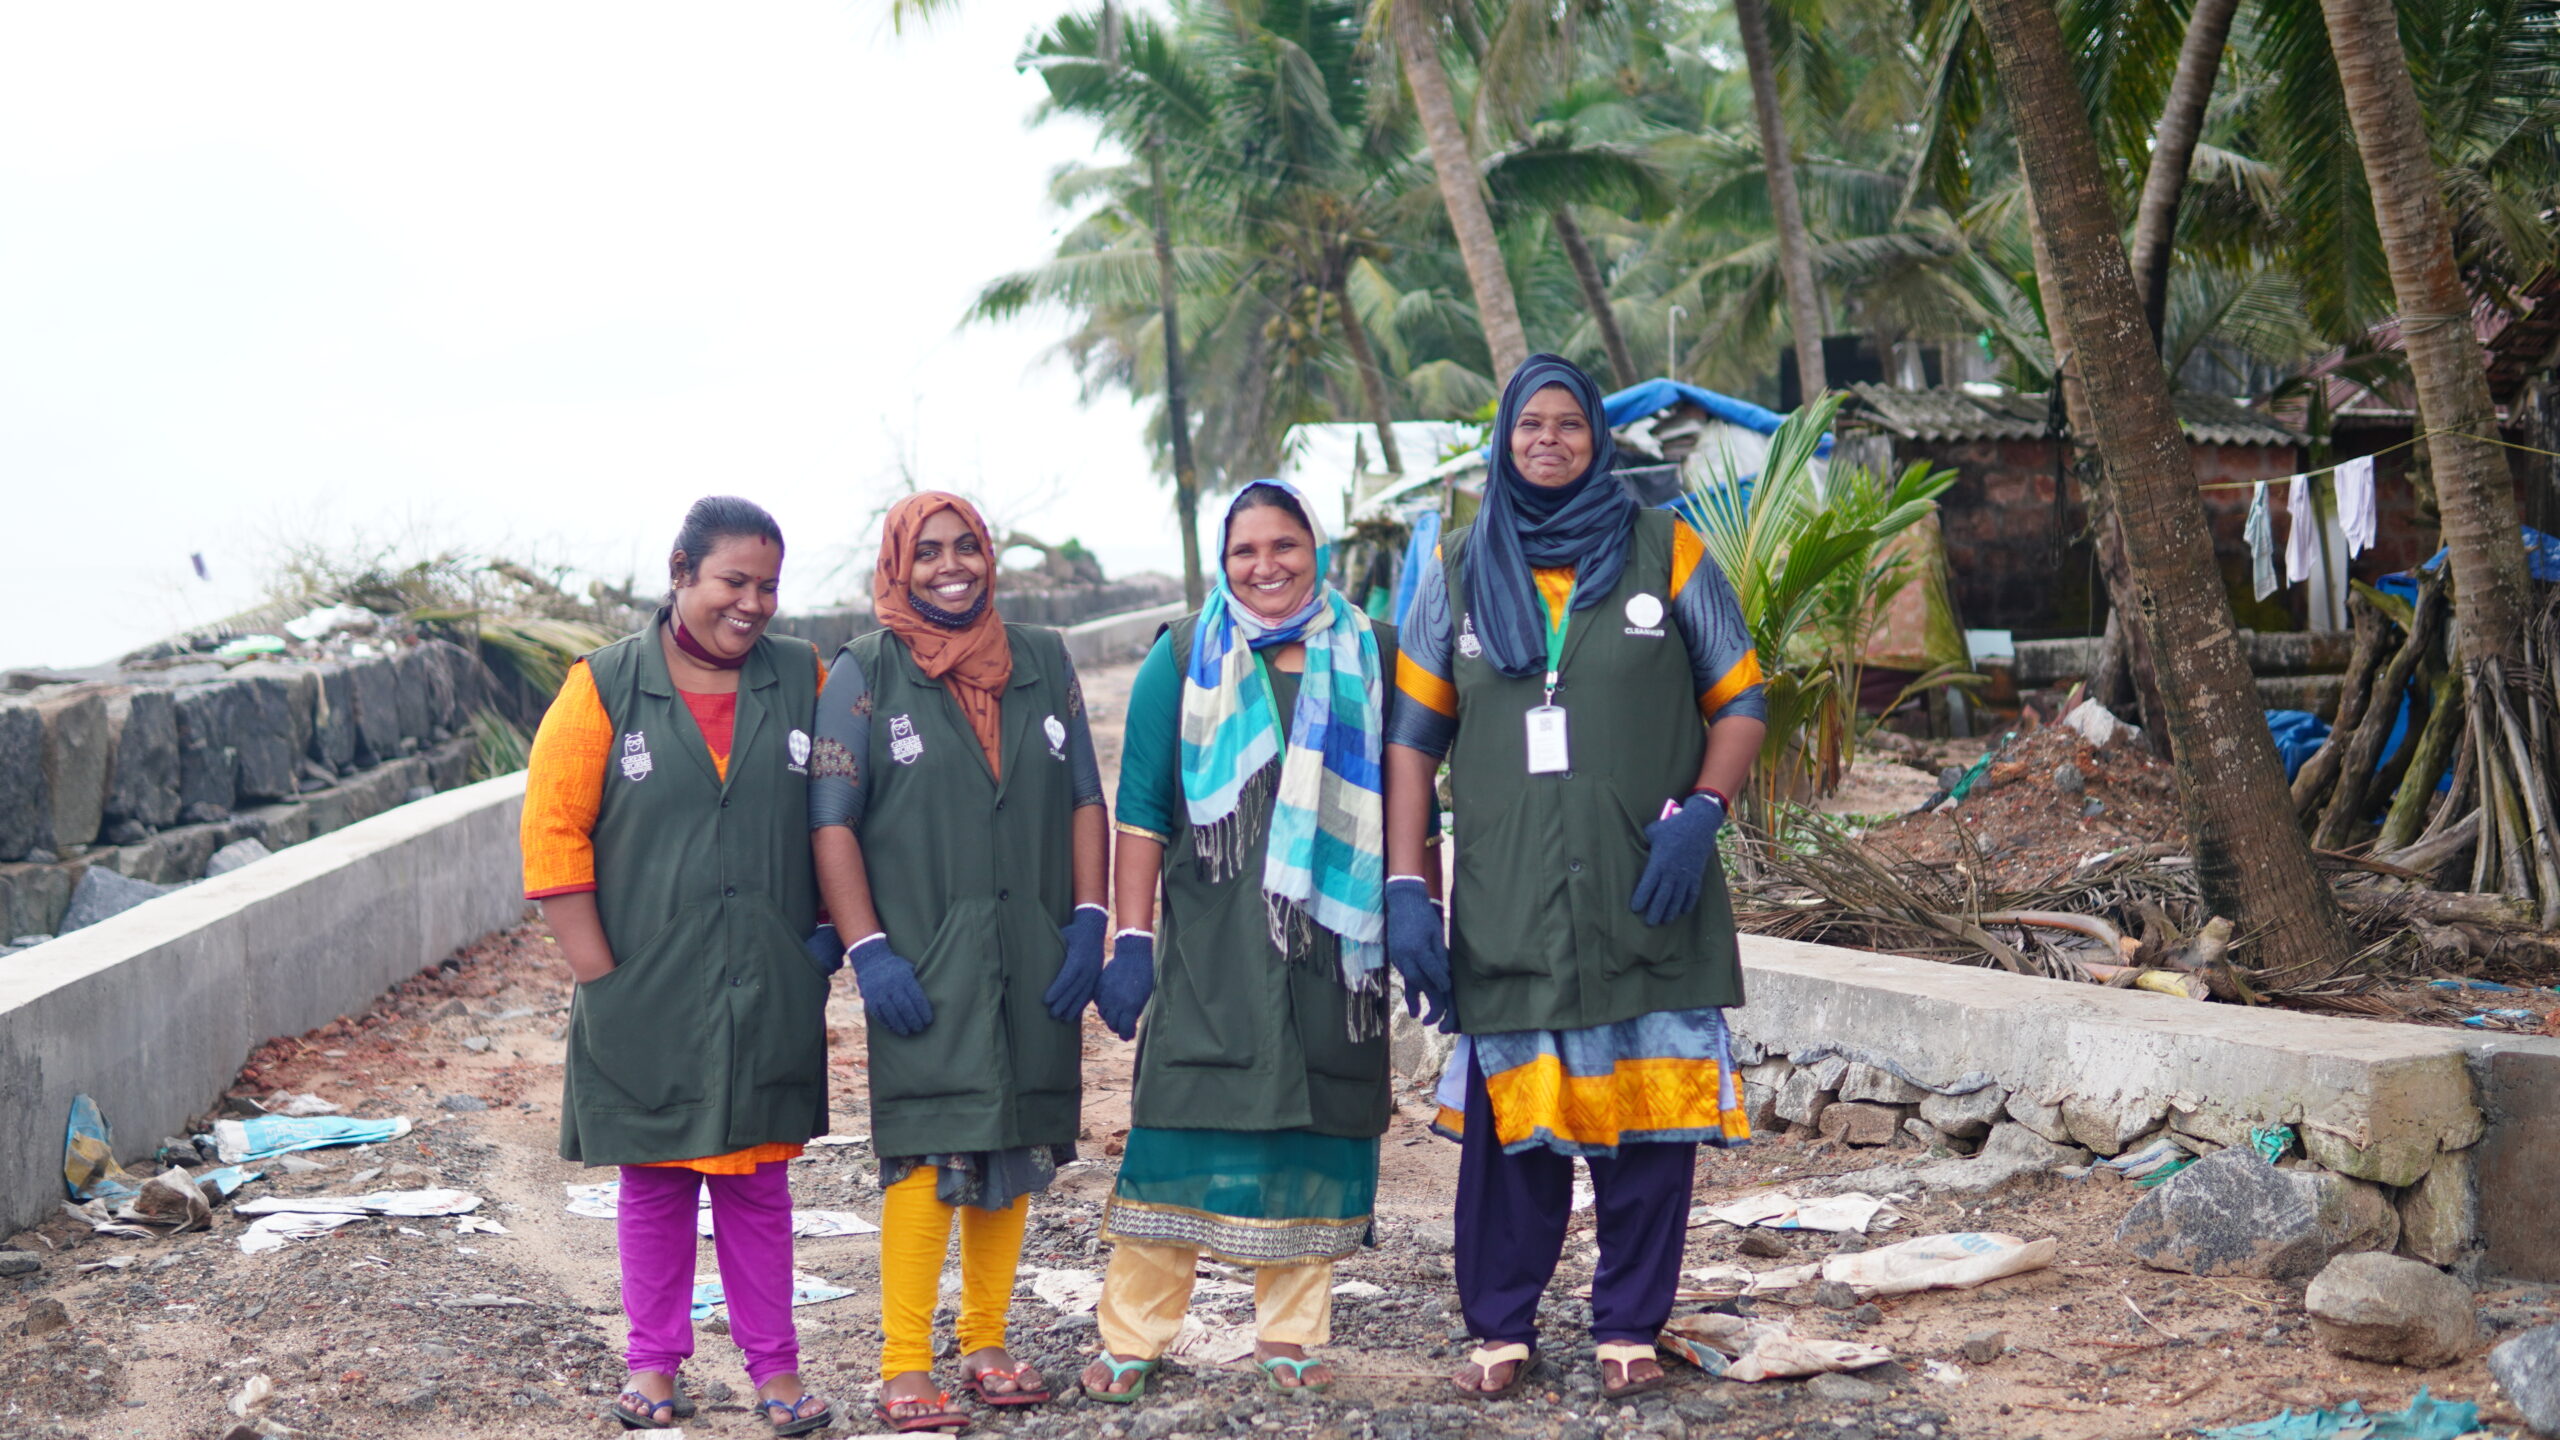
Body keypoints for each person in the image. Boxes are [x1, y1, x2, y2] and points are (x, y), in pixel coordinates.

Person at [1383, 354, 1767, 1402]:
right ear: (1503, 442)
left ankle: (1628, 1325)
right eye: (1527, 427)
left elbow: (1740, 702)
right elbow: (1412, 745)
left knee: (1652, 1123)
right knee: (1514, 1132)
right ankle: (1498, 1327)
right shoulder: (1457, 567)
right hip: (1510, 898)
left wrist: (1702, 813)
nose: (1547, 441)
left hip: (1648, 887)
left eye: (1567, 425)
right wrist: (1407, 888)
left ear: (1597, 439)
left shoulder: (1666, 549)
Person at [1076, 480, 1443, 1404]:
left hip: (1335, 943)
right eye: (1245, 550)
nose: (1266, 565)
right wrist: (1130, 938)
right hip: (1214, 940)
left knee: (1317, 1126)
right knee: (1177, 1125)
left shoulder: (1376, 650)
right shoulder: (1180, 657)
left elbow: (1417, 797)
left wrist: (1416, 902)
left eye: (1285, 544)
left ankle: (1291, 1337)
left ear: (1315, 548)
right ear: (1223, 559)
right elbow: (1145, 815)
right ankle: (1134, 1334)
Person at [522, 495, 836, 1435]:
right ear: (681, 572)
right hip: (644, 988)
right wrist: (604, 984)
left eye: (768, 586)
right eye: (733, 581)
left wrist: (818, 942)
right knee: (655, 1183)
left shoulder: (805, 676)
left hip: (767, 982)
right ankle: (653, 1367)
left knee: (758, 1184)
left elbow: (848, 812)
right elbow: (552, 839)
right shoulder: (604, 687)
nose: (752, 605)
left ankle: (776, 1374)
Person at [809, 492, 1109, 1433]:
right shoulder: (866, 670)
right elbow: (830, 822)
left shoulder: (1042, 658)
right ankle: (904, 1362)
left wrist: (1091, 919)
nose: (952, 565)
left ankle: (984, 1338)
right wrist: (868, 951)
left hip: (1032, 947)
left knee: (1012, 1139)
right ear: (900, 564)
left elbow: (1083, 799)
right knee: (928, 1147)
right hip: (926, 958)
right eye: (930, 551)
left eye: (967, 547)